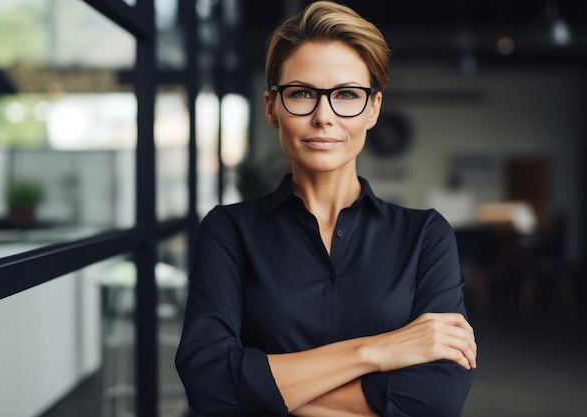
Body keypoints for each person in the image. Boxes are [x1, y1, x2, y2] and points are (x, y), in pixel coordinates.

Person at [175, 2, 477, 416]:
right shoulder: (229, 231)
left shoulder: (425, 236)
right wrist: (381, 350)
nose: (323, 116)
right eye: (301, 93)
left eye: (347, 95)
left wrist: (266, 391)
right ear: (270, 107)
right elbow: (209, 385)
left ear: (373, 109)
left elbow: (436, 399)